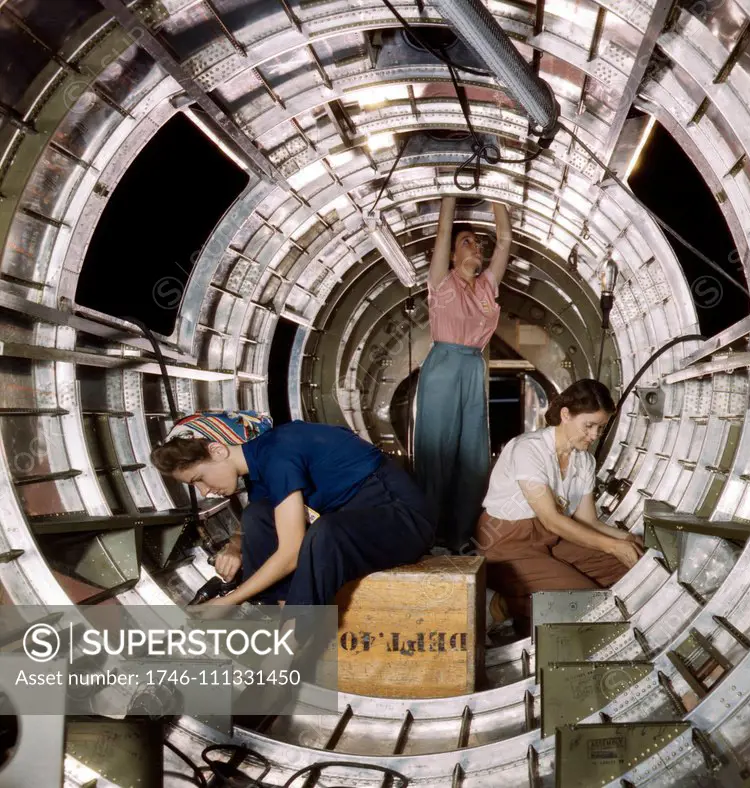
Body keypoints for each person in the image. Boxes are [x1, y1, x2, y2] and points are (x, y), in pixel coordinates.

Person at [150, 413, 435, 611]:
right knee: (257, 515)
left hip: (402, 520)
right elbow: (260, 520)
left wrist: (227, 601)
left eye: (199, 479)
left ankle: (291, 647)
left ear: (218, 450)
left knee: (326, 533)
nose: (204, 491)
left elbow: (291, 552)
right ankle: (284, 615)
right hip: (354, 523)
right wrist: (236, 547)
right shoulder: (258, 463)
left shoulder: (279, 453)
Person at [473, 379, 645, 636]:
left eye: (601, 427)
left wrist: (629, 540)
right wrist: (613, 545)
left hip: (550, 541)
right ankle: (501, 604)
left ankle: (524, 598)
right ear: (565, 415)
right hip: (506, 544)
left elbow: (588, 522)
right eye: (589, 426)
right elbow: (552, 519)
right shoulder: (528, 449)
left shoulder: (583, 460)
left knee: (628, 565)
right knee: (584, 601)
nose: (595, 435)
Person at [415, 196, 512, 553]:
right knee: (435, 451)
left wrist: (498, 193)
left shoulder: (487, 287)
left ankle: (461, 535)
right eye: (466, 242)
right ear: (453, 256)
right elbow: (443, 230)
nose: (476, 247)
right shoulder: (442, 281)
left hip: (473, 366)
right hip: (443, 365)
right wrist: (451, 193)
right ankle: (428, 533)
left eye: (477, 242)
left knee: (473, 454)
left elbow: (503, 240)